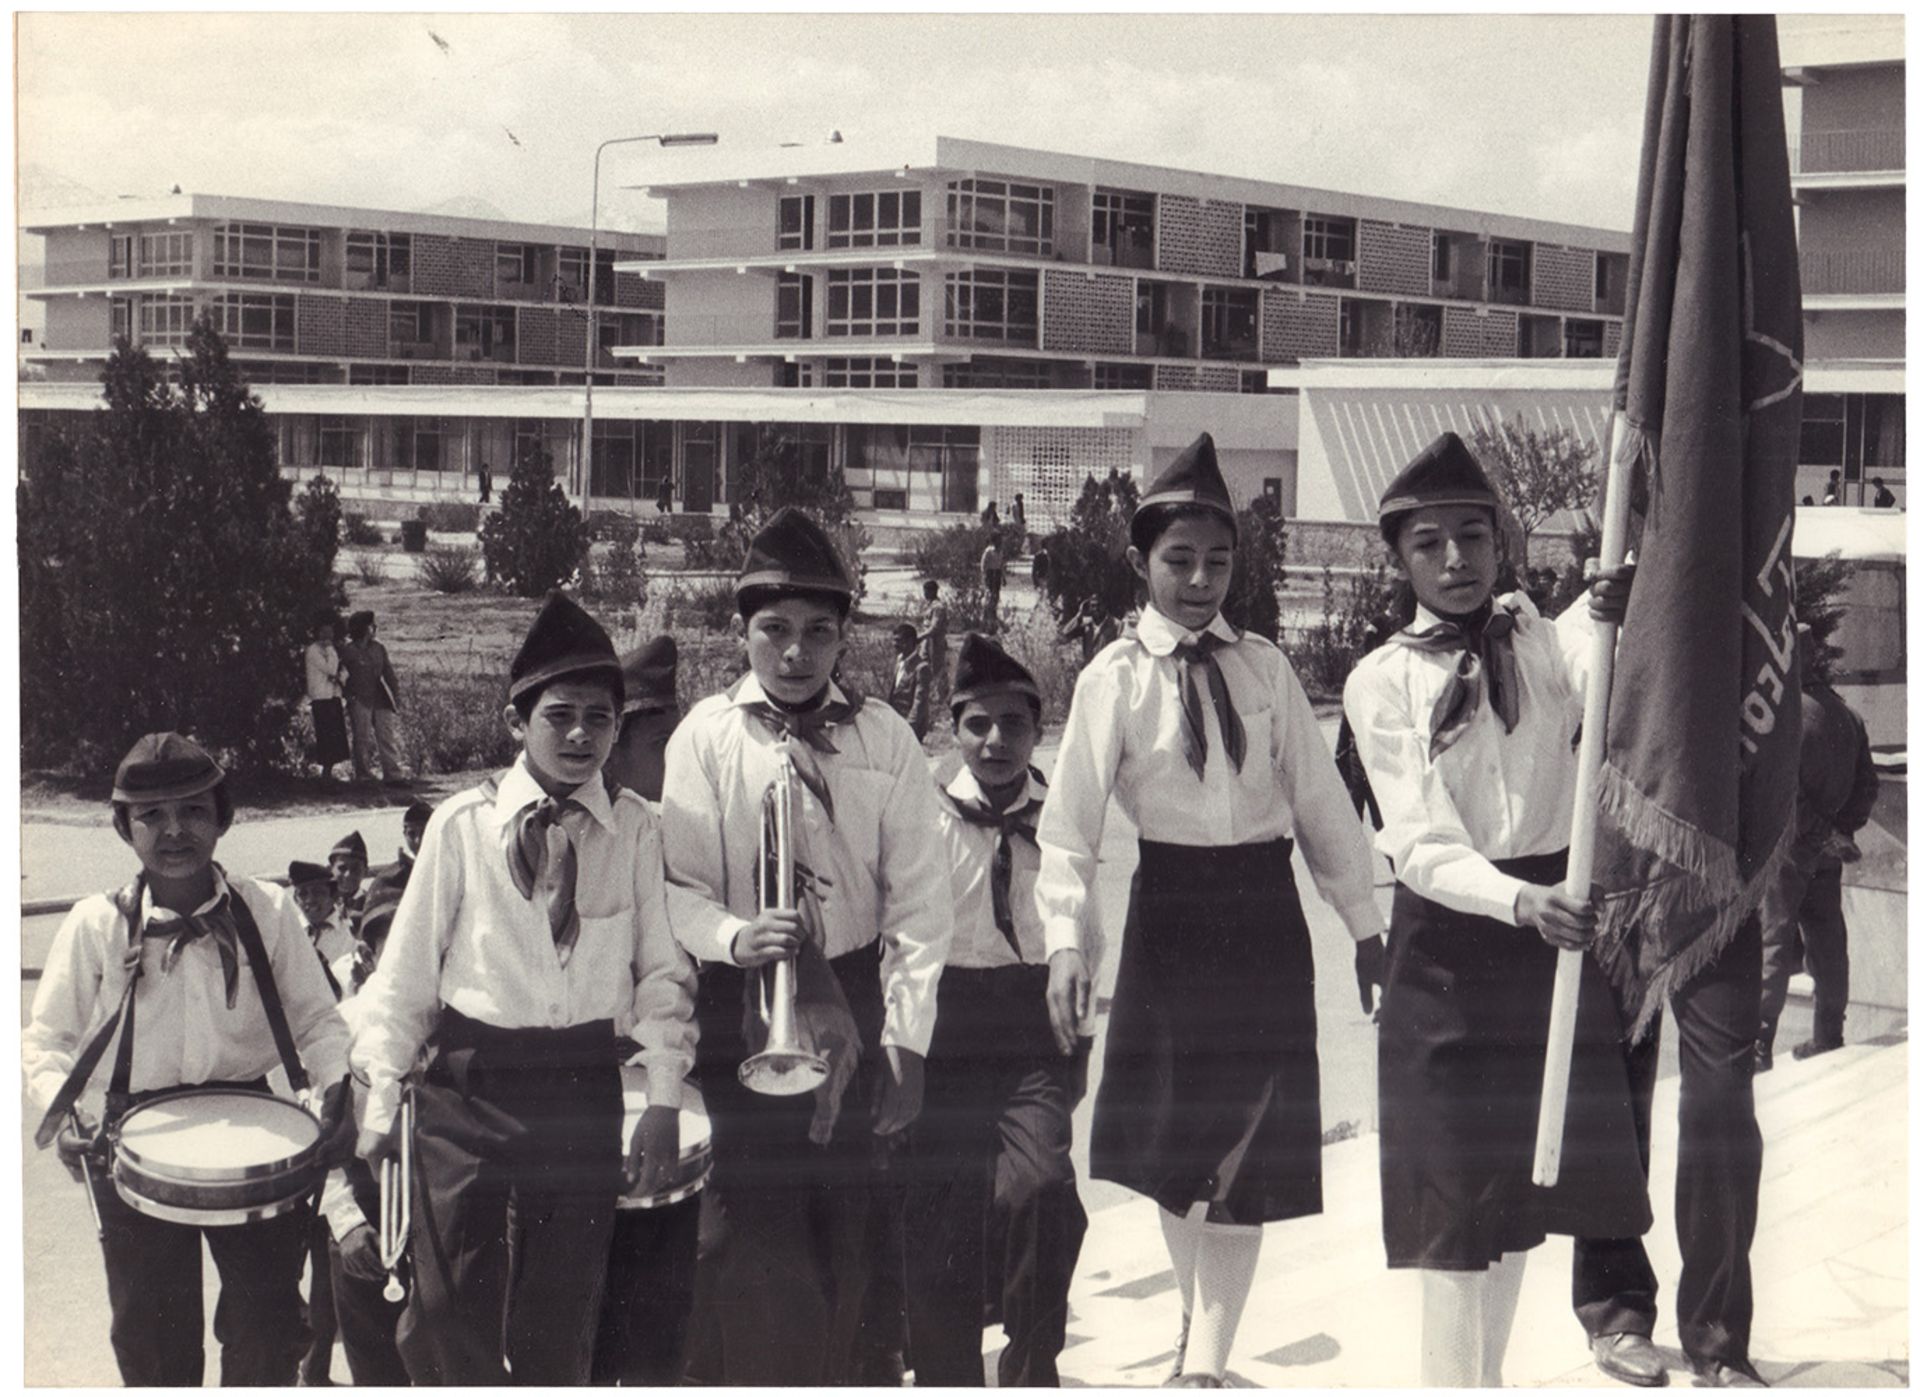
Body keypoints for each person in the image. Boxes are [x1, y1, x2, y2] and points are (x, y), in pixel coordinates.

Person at [1036, 433, 1386, 1388]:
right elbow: (1067, 829)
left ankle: (1203, 1366)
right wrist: (1068, 942)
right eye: (1179, 561)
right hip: (1170, 918)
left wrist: (1364, 925)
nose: (1200, 580)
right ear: (1144, 563)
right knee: (1176, 1147)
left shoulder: (1265, 670)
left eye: (1218, 561)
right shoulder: (1114, 677)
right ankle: (1203, 1332)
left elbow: (1323, 810)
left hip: (1262, 916)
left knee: (1250, 1150)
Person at [1342, 432, 1655, 1388]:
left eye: (1474, 537)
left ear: (1501, 542)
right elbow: (1422, 843)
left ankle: (1487, 1380)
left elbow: (1595, 679)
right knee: (1450, 1214)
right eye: (1430, 543)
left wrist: (1615, 604)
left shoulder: (1537, 636)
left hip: (1547, 950)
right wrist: (1524, 901)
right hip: (1452, 950)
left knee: (1527, 1192)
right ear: (1400, 559)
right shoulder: (1380, 681)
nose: (1456, 560)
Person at [350, 591, 719, 1384]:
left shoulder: (635, 831)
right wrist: (381, 1099)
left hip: (580, 1089)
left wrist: (660, 1098)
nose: (582, 733)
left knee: (560, 1318)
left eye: (600, 716)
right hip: (468, 1090)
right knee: (444, 1313)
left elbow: (660, 973)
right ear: (517, 722)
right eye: (560, 715)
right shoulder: (461, 827)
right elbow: (405, 976)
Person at [660, 505, 955, 1385]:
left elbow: (920, 902)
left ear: (844, 636)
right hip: (743, 1003)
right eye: (775, 630)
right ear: (742, 630)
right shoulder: (705, 738)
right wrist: (734, 934)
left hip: (857, 1000)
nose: (795, 653)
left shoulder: (884, 736)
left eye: (818, 632)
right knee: (756, 1243)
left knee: (848, 1235)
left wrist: (906, 1038)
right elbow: (676, 889)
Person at [23, 732, 352, 1386]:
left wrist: (336, 1085)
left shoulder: (268, 910)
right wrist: (61, 1112)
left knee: (268, 1328)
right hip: (133, 1140)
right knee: (152, 1339)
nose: (175, 830)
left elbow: (319, 1019)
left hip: (258, 1132)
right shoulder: (98, 924)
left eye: (194, 810)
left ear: (222, 817)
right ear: (124, 827)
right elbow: (45, 1039)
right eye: (152, 815)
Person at [907, 634, 1088, 1386]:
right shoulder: (926, 814)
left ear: (1039, 729)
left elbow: (1087, 927)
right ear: (954, 728)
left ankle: (1030, 1360)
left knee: (1041, 1187)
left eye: (1015, 723)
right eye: (978, 723)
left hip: (1030, 1027)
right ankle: (949, 1373)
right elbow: (907, 931)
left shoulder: (1062, 822)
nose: (996, 741)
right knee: (942, 1211)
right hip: (945, 1023)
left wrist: (1074, 1039)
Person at [592, 633, 707, 1387]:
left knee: (669, 1305)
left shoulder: (685, 829)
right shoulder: (589, 829)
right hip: (596, 1089)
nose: (675, 759)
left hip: (676, 1083)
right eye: (662, 740)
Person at [1757, 641, 1879, 1068]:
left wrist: (1819, 832)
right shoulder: (1848, 715)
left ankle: (1758, 1048)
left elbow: (1782, 791)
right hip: (1828, 851)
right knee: (1828, 939)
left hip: (1789, 849)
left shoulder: (1786, 717)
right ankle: (1830, 1035)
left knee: (1772, 940)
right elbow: (1868, 786)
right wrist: (1841, 831)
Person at [315, 881, 412, 1386]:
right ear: (367, 955)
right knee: (377, 1372)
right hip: (366, 1216)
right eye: (389, 943)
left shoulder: (463, 1018)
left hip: (447, 1216)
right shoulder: (344, 1025)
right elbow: (319, 1134)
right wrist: (347, 1222)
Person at [287, 858, 360, 1385]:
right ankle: (301, 1368)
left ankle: (314, 1371)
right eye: (303, 895)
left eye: (319, 894)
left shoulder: (350, 945)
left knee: (328, 1273)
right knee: (294, 1270)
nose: (311, 902)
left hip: (339, 1097)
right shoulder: (292, 942)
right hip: (304, 1126)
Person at [340, 611, 408, 788]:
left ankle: (392, 774)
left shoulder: (379, 648)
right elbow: (340, 675)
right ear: (362, 628)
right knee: (361, 738)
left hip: (380, 697)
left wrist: (396, 693)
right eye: (371, 625)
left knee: (386, 736)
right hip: (358, 698)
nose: (374, 629)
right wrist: (348, 696)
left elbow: (388, 673)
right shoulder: (348, 651)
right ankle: (363, 775)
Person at [305, 610, 351, 780]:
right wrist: (332, 650)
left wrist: (338, 675)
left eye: (330, 631)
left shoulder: (331, 651)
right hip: (321, 698)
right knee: (326, 737)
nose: (328, 634)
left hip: (332, 696)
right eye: (324, 631)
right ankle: (325, 777)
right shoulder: (314, 650)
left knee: (334, 738)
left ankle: (329, 775)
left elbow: (341, 673)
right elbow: (331, 669)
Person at [887, 621, 934, 740]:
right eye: (894, 640)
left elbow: (919, 702)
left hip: (911, 727)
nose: (894, 644)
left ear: (910, 642)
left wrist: (908, 728)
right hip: (894, 722)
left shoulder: (921, 668)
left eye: (898, 641)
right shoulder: (899, 661)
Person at [1057, 592, 1119, 667]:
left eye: (1099, 605)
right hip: (1089, 671)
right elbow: (1065, 635)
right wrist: (1079, 615)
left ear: (1105, 606)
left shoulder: (1116, 625)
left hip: (1107, 670)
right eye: (1093, 606)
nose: (1096, 609)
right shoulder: (1086, 625)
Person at [328, 830, 370, 935]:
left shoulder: (372, 903)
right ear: (330, 869)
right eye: (342, 868)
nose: (348, 874)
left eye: (356, 869)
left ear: (366, 872)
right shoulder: (322, 904)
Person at [919, 577, 951, 707]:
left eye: (927, 591)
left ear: (933, 591)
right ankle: (926, 695)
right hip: (927, 641)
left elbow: (935, 627)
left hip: (935, 641)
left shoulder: (938, 607)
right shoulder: (930, 605)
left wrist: (920, 637)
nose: (925, 594)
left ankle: (944, 697)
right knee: (923, 666)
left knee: (938, 668)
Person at [981, 537, 1006, 630]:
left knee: (996, 595)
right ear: (994, 541)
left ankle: (993, 614)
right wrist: (985, 576)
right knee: (989, 595)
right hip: (990, 574)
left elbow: (1001, 565)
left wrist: (1003, 577)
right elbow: (983, 565)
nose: (1000, 543)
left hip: (997, 574)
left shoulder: (1001, 552)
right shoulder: (988, 551)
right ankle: (986, 617)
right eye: (998, 541)